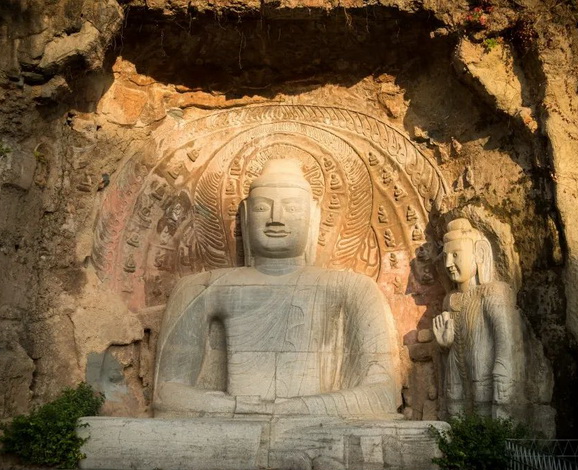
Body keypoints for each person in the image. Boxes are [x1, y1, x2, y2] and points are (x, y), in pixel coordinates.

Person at [153, 159, 401, 417]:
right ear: (246, 216)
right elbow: (166, 393)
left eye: (292, 208)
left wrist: (296, 409)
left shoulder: (354, 288)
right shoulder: (201, 287)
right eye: (262, 208)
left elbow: (382, 394)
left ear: (313, 216)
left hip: (312, 421)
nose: (276, 220)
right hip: (235, 420)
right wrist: (237, 408)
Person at [432, 218, 526, 419]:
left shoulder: (493, 293)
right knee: (456, 414)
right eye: (445, 257)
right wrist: (445, 345)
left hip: (485, 373)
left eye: (456, 255)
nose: (448, 264)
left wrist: (503, 374)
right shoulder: (450, 300)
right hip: (456, 373)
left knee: (488, 419)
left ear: (479, 254)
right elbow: (450, 346)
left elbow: (506, 341)